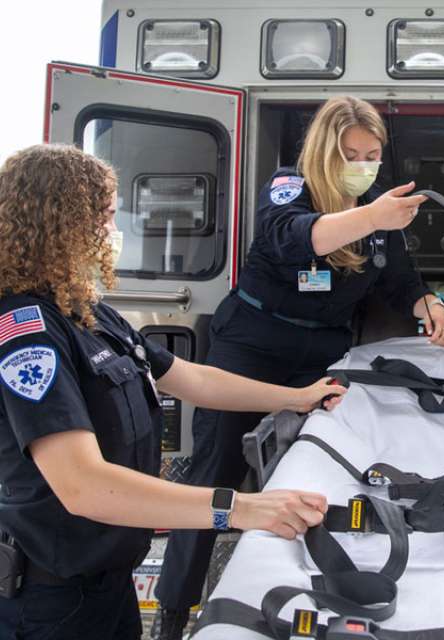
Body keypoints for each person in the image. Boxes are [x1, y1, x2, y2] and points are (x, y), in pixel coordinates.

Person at [0, 144, 347, 640]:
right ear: (61, 222)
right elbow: (83, 486)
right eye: (103, 215)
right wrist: (242, 508)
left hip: (106, 584)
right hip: (51, 600)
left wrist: (297, 398)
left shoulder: (90, 314)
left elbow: (192, 379)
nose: (111, 229)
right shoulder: (27, 330)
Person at [155, 95, 444, 638]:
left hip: (319, 360)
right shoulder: (289, 187)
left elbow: (400, 280)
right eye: (351, 154)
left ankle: (314, 601)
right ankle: (175, 611)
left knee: (323, 473)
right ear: (325, 150)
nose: (363, 165)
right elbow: (298, 238)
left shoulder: (379, 216)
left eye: (372, 154)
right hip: (250, 351)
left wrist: (428, 303)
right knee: (215, 474)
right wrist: (372, 214)